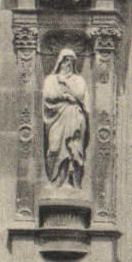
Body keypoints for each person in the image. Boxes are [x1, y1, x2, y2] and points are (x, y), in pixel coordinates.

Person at [42, 49, 91, 189]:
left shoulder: (78, 80)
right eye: (65, 60)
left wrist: (66, 84)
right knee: (54, 148)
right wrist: (65, 96)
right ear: (60, 62)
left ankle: (73, 182)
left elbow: (80, 94)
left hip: (75, 118)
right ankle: (55, 181)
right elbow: (48, 94)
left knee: (74, 150)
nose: (67, 64)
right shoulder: (51, 79)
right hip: (56, 119)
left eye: (70, 61)